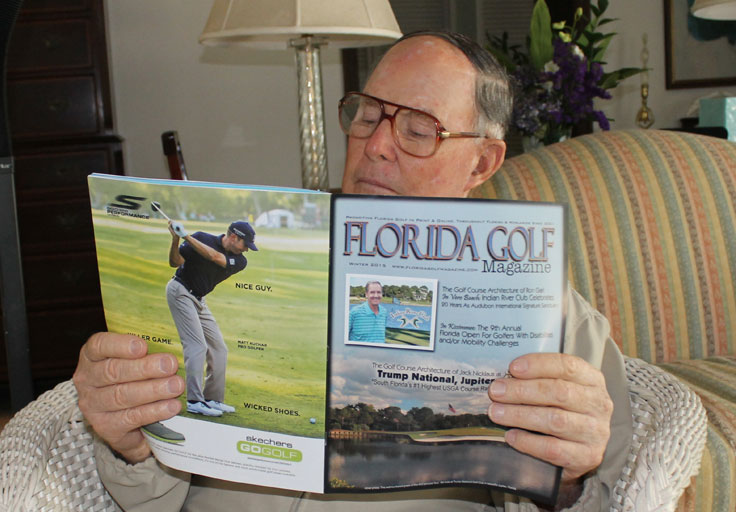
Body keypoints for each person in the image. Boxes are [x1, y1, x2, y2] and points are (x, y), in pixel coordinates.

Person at [73, 31, 630, 511]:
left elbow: (614, 491)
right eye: (368, 114)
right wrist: (128, 439)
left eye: (418, 129)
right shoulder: (293, 247)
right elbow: (150, 490)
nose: (377, 144)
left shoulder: (543, 313)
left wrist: (570, 478)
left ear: (482, 162)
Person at [166, 219, 258, 417]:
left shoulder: (240, 261)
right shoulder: (201, 238)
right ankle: (194, 401)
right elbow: (175, 262)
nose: (247, 250)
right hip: (180, 291)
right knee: (196, 345)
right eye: (246, 245)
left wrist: (186, 237)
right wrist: (176, 240)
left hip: (199, 299)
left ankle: (212, 399)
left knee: (219, 348)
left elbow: (215, 257)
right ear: (234, 237)